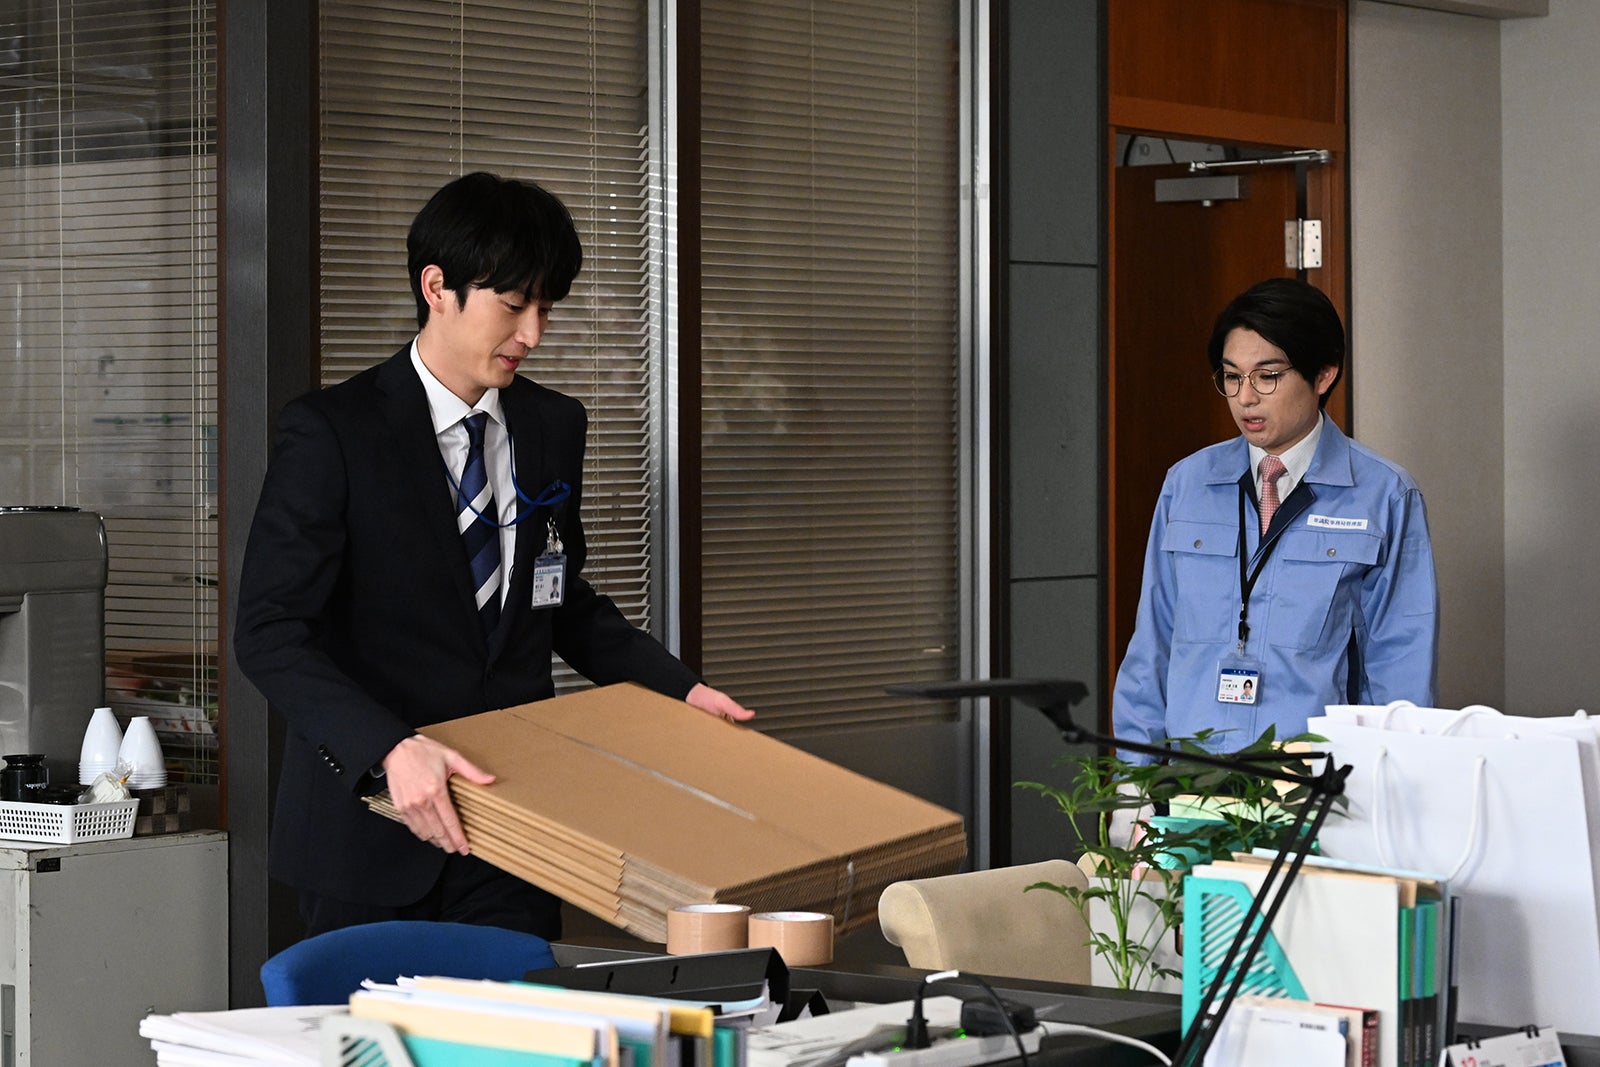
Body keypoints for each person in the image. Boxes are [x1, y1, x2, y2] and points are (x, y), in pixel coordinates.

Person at [234, 172, 751, 941]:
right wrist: (387, 747)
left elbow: (556, 599)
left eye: (546, 308)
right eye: (513, 305)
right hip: (371, 831)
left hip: (514, 830)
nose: (533, 333)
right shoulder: (333, 432)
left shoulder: (552, 424)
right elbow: (269, 632)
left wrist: (679, 690)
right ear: (436, 287)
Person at [1112, 277, 1438, 763]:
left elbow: (1402, 668)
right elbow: (1152, 646)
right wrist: (1134, 783)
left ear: (1323, 375)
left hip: (1315, 781)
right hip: (1192, 777)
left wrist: (1385, 785)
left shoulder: (1384, 495)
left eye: (1267, 376)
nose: (1245, 398)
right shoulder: (1187, 484)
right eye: (1232, 377)